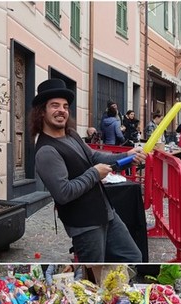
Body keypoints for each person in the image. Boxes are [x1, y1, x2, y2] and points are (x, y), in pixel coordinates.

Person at [31, 78, 146, 262]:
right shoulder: (46, 151)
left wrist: (128, 157)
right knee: (92, 274)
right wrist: (94, 174)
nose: (61, 110)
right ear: (42, 112)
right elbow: (63, 193)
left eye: (65, 106)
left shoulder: (72, 134)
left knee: (132, 256)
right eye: (54, 105)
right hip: (85, 225)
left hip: (106, 213)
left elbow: (94, 157)